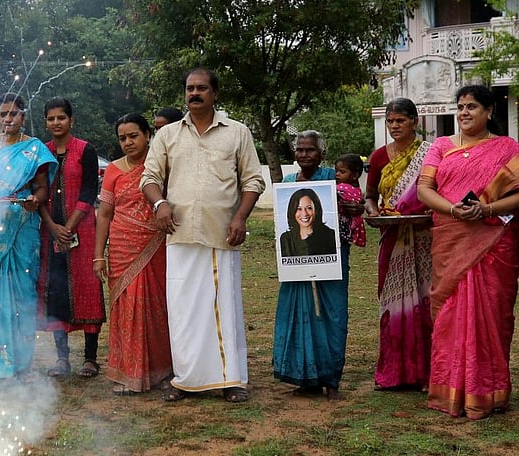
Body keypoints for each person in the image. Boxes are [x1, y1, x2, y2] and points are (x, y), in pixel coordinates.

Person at [141, 68, 265, 403]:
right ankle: (186, 380)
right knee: (182, 310)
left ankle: (230, 380)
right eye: (189, 89)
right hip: (179, 234)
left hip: (221, 233)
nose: (194, 94)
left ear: (215, 93)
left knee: (222, 308)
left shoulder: (236, 133)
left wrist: (240, 218)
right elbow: (149, 177)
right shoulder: (168, 136)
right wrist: (160, 203)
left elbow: (253, 181)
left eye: (201, 88)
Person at [416, 85, 519, 419]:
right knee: (449, 315)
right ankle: (450, 390)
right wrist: (452, 210)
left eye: (472, 107)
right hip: (451, 239)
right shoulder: (440, 146)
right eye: (460, 107)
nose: (464, 113)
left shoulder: (508, 149)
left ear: (489, 111)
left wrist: (487, 210)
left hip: (493, 244)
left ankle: (486, 392)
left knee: (491, 314)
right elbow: (424, 189)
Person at [0, 94, 58, 378]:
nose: (8, 119)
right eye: (3, 114)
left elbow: (43, 188)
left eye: (14, 114)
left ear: (23, 116)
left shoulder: (34, 149)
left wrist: (34, 198)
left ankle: (17, 362)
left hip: (21, 228)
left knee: (21, 294)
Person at [272, 130, 364, 401]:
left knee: (333, 316)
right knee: (299, 316)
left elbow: (354, 202)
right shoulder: (288, 182)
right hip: (296, 264)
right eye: (299, 150)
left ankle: (331, 378)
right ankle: (305, 377)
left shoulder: (333, 179)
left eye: (310, 150)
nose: (304, 155)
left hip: (331, 262)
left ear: (321, 153)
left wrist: (355, 208)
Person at [95, 113, 171, 394]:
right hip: (121, 249)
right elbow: (104, 215)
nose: (127, 142)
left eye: (133, 136)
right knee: (126, 308)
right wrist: (98, 255)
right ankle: (127, 372)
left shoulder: (160, 166)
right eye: (122, 138)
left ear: (148, 135)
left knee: (156, 307)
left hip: (156, 247)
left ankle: (162, 370)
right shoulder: (113, 170)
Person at [364, 98, 433, 391]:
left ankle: (426, 373)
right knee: (391, 303)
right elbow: (369, 196)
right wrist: (372, 211)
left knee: (425, 302)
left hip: (424, 237)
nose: (394, 126)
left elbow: (436, 191)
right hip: (391, 237)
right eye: (390, 121)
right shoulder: (379, 157)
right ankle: (393, 372)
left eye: (400, 121)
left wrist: (430, 213)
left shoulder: (430, 154)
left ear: (414, 122)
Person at [38, 98, 105, 378]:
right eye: (51, 118)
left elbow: (89, 191)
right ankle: (62, 358)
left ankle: (90, 358)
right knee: (56, 291)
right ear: (46, 122)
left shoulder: (85, 150)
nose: (56, 123)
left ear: (71, 120)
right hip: (50, 232)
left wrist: (70, 225)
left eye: (61, 118)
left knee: (87, 288)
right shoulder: (41, 152)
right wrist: (53, 226)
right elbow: (38, 190)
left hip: (83, 231)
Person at [278, 188, 337, 256]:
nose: (304, 214)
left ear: (316, 209)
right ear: (292, 211)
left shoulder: (330, 236)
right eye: (299, 209)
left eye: (309, 208)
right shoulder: (286, 239)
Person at [334, 153, 367, 249]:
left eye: (342, 172)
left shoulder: (342, 188)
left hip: (341, 229)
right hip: (348, 229)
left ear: (355, 175)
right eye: (336, 171)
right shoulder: (357, 190)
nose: (337, 174)